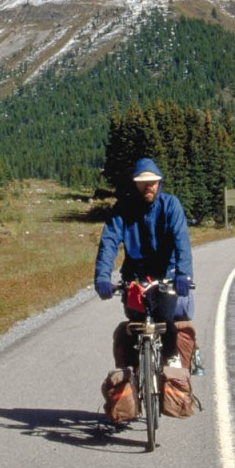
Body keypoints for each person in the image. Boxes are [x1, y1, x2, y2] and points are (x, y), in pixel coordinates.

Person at [93, 157, 193, 368]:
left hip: (166, 275)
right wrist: (103, 277)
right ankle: (135, 375)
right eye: (142, 182)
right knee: (135, 324)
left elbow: (181, 240)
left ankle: (172, 355)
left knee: (165, 318)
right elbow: (109, 242)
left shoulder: (170, 206)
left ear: (159, 183)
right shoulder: (123, 209)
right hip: (135, 277)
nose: (148, 186)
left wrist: (183, 274)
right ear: (135, 183)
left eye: (152, 182)